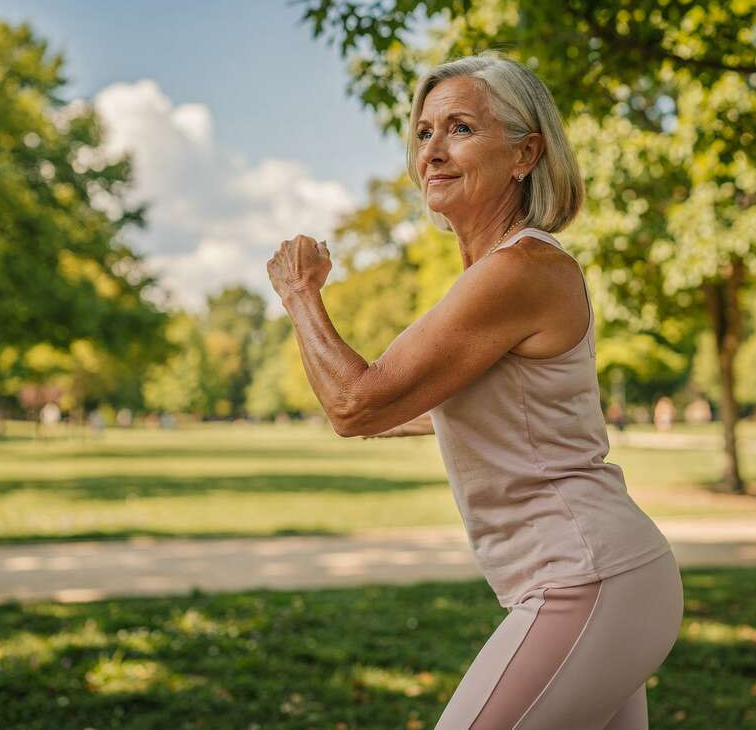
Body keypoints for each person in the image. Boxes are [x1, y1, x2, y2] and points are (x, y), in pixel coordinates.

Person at [268, 51, 682, 730]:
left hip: (586, 579)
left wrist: (301, 294)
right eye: (424, 133)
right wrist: (378, 407)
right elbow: (428, 412)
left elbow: (355, 404)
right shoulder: (495, 276)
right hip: (607, 581)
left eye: (460, 128)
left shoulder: (519, 269)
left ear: (525, 154)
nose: (433, 150)